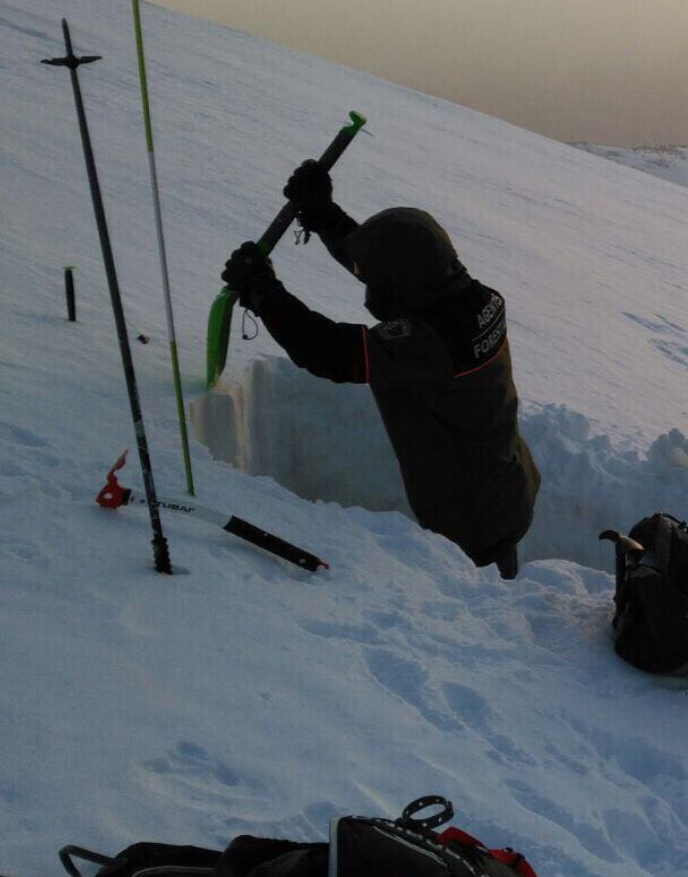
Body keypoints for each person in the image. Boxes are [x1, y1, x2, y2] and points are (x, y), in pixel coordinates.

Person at [222, 161, 540, 578]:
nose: (370, 289)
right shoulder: (470, 296)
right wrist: (323, 214)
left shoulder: (433, 343)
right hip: (507, 486)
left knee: (477, 608)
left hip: (470, 518)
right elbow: (389, 266)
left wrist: (264, 292)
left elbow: (330, 351)